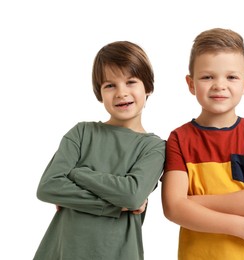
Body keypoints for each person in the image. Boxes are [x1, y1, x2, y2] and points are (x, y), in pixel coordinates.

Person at [33, 41, 165, 260]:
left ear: (148, 87)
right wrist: (113, 206)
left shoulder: (154, 147)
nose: (121, 93)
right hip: (62, 252)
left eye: (131, 82)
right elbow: (48, 186)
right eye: (109, 85)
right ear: (99, 93)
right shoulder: (82, 133)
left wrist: (77, 174)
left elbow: (131, 196)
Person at [161, 28, 244, 259]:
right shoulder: (179, 139)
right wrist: (240, 226)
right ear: (191, 83)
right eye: (207, 77)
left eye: (231, 77)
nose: (219, 85)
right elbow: (173, 209)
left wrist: (190, 203)